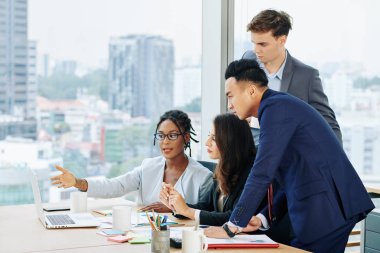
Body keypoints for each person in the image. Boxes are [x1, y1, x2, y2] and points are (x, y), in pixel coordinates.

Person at [204, 59, 374, 253]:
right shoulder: (277, 108)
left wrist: (233, 225)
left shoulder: (275, 109)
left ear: (251, 91)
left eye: (230, 96)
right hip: (320, 206)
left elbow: (262, 172)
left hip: (325, 208)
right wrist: (261, 218)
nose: (230, 105)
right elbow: (286, 177)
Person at [51, 110, 213, 212]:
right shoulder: (149, 167)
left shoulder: (203, 177)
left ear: (186, 138)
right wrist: (77, 182)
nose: (165, 142)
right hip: (143, 236)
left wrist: (174, 209)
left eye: (172, 136)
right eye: (161, 136)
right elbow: (116, 186)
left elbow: (208, 214)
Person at [242, 9, 342, 144]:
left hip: (285, 157)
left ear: (282, 40)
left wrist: (334, 161)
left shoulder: (307, 77)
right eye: (254, 43)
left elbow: (329, 125)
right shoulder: (248, 60)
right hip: (246, 153)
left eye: (262, 44)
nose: (256, 50)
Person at [159, 113, 256, 226]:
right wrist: (176, 206)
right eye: (209, 136)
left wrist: (186, 210)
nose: (207, 143)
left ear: (230, 140)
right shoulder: (222, 170)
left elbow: (233, 217)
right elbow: (206, 206)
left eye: (214, 138)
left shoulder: (251, 174)